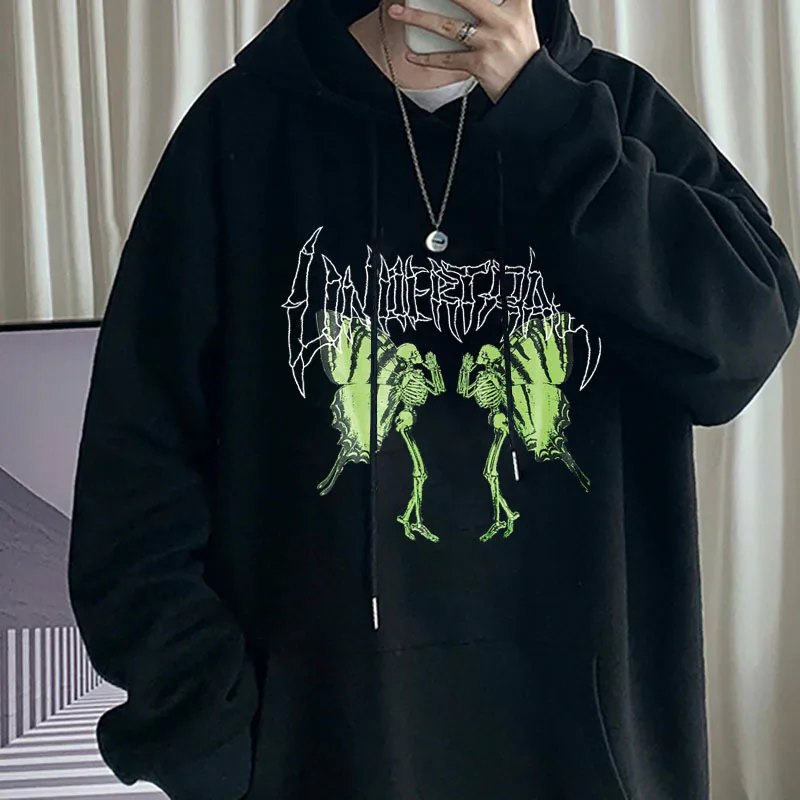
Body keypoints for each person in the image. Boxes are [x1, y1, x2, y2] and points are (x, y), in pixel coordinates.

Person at [67, 0, 800, 797]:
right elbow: (134, 471)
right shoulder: (244, 129)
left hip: (586, 758)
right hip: (323, 755)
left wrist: (545, 115)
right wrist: (203, 734)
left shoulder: (613, 113)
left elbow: (741, 342)